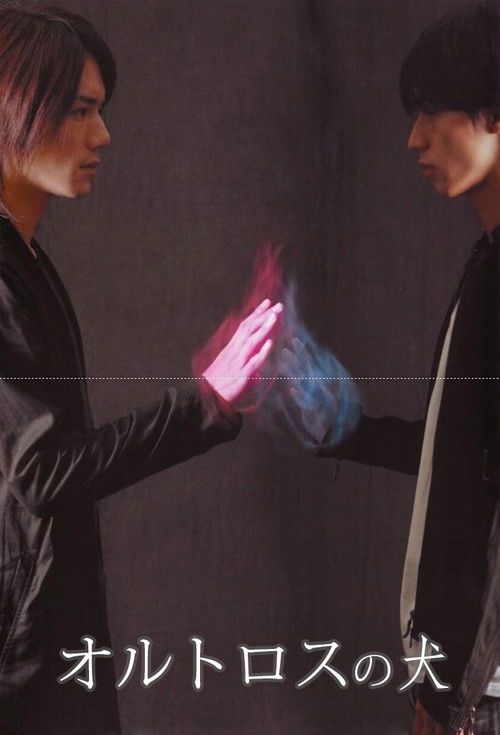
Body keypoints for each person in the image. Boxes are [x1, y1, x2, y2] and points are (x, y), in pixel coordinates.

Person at [0, 5, 282, 735]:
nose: (103, 134)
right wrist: (204, 403)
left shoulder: (26, 260)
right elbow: (42, 474)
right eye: (79, 110)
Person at [315, 1, 499, 733]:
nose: (413, 138)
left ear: (494, 113)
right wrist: (348, 430)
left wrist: (449, 692)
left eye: (430, 113)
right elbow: (467, 455)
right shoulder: (487, 263)